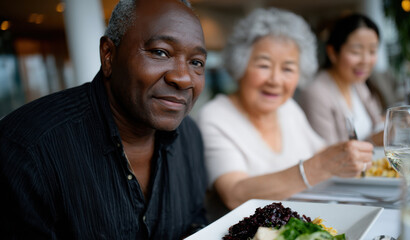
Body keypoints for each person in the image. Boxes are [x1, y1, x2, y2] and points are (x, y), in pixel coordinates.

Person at [0, 0, 208, 239]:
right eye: (160, 52)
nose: (183, 78)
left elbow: (196, 222)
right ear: (108, 55)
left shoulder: (190, 135)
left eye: (196, 63)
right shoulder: (27, 149)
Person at [197, 8, 374, 222]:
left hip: (311, 225)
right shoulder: (215, 116)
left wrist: (350, 155)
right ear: (240, 65)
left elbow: (322, 153)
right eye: (264, 65)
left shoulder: (287, 108)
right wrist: (319, 167)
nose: (275, 80)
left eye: (288, 69)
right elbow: (235, 193)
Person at [298, 13, 384, 146]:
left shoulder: (358, 84)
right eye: (356, 52)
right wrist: (373, 140)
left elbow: (377, 124)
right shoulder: (316, 93)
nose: (366, 60)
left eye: (372, 51)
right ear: (332, 53)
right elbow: (328, 155)